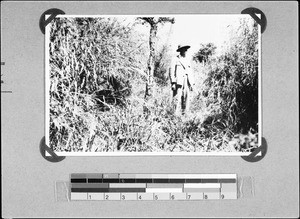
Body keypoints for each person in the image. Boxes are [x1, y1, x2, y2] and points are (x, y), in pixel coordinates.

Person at [170, 44, 195, 116]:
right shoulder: (175, 59)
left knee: (187, 98)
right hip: (178, 81)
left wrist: (192, 83)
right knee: (177, 98)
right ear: (180, 50)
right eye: (184, 49)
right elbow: (172, 71)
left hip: (187, 81)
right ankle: (174, 115)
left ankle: (185, 115)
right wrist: (173, 82)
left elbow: (190, 71)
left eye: (186, 49)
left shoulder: (188, 60)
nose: (185, 51)